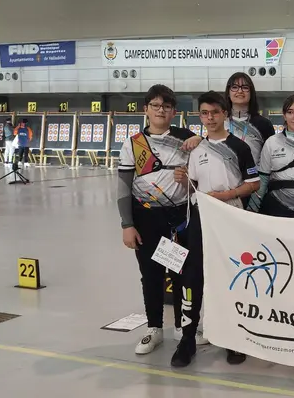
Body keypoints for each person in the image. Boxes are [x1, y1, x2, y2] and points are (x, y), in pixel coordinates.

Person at [171, 91, 260, 367]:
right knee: (193, 276)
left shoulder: (240, 147)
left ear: (225, 114)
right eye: (204, 113)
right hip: (201, 218)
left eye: (215, 113)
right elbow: (193, 188)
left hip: (231, 217)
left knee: (232, 275)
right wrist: (183, 180)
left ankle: (234, 338)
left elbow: (254, 183)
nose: (210, 118)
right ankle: (188, 339)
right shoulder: (196, 149)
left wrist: (224, 196)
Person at [117, 84, 202, 356]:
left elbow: (201, 174)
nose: (161, 110)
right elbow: (123, 188)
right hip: (146, 218)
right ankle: (154, 327)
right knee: (151, 274)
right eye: (155, 105)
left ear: (174, 111)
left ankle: (181, 325)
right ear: (146, 109)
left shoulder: (187, 139)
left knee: (180, 273)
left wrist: (199, 142)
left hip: (178, 218)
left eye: (166, 106)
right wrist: (127, 224)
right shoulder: (133, 144)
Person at [223, 72, 275, 210]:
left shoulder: (263, 124)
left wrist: (257, 198)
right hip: (224, 189)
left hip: (254, 190)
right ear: (228, 92)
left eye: (245, 87)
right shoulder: (219, 121)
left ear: (251, 93)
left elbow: (269, 163)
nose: (240, 91)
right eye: (235, 87)